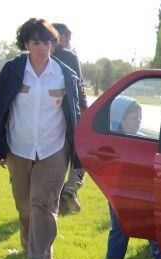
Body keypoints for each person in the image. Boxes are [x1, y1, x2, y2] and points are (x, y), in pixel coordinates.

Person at [0, 18, 80, 259]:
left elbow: (76, 114)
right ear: (26, 44)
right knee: (25, 207)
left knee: (43, 203)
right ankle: (29, 247)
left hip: (54, 148)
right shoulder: (13, 70)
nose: (42, 47)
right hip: (19, 148)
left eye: (47, 42)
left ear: (54, 43)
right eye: (36, 42)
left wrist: (78, 154)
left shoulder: (65, 75)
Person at [106, 96, 161, 259]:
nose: (138, 121)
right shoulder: (114, 141)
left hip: (141, 191)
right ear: (120, 119)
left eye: (140, 117)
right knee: (120, 227)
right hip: (119, 193)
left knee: (149, 221)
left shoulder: (141, 138)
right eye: (134, 118)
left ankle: (160, 256)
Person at [51, 22, 88, 214]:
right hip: (70, 112)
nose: (69, 42)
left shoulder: (42, 56)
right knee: (80, 152)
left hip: (49, 116)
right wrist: (86, 110)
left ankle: (58, 199)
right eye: (68, 37)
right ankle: (72, 187)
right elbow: (79, 86)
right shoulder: (69, 56)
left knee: (56, 157)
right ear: (61, 37)